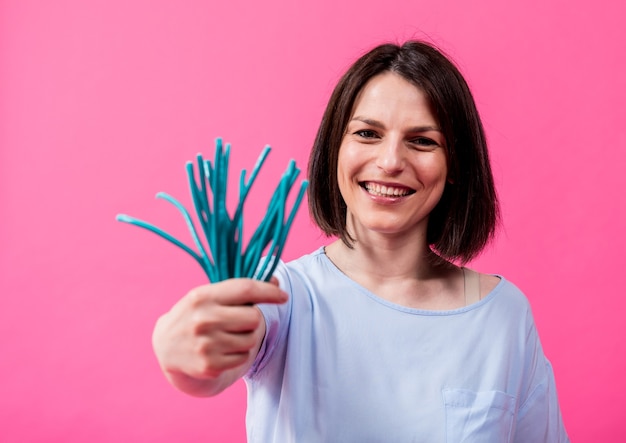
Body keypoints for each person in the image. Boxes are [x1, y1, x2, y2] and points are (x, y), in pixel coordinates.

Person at [152, 40, 569, 442]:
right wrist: (179, 348)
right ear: (335, 149)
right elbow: (212, 359)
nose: (389, 162)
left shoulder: (504, 317)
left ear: (455, 164)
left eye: (422, 141)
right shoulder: (283, 295)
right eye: (368, 134)